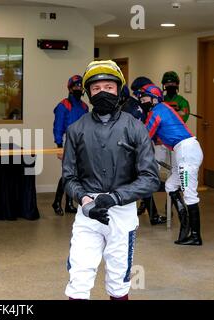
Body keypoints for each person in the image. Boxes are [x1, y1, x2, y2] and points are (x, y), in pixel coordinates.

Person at [63, 60, 160, 300]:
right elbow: (69, 177)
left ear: (119, 89)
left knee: (119, 278)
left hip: (122, 210)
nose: (103, 92)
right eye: (96, 89)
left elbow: (150, 178)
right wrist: (85, 201)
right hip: (88, 211)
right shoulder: (76, 129)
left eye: (108, 86)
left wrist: (116, 196)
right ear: (88, 92)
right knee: (79, 275)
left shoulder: (135, 128)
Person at [138, 84, 203, 245]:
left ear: (154, 99)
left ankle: (195, 236)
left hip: (186, 151)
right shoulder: (161, 108)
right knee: (170, 185)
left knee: (190, 194)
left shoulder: (157, 111)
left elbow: (146, 135)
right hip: (183, 150)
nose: (141, 101)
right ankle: (185, 225)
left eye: (144, 98)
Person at [126, 76, 167, 225]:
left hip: (136, 147)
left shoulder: (136, 104)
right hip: (135, 148)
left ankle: (150, 212)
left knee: (143, 179)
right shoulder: (134, 107)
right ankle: (152, 215)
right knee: (144, 178)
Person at [52, 75, 89, 215]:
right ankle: (56, 202)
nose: (78, 88)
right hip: (68, 142)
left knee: (76, 175)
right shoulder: (63, 106)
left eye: (81, 86)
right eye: (76, 86)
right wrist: (59, 146)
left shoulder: (85, 106)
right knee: (68, 174)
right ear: (70, 88)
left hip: (83, 143)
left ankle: (68, 204)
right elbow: (58, 127)